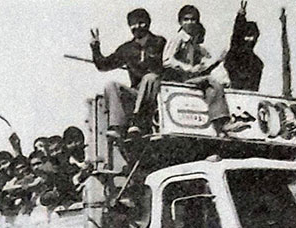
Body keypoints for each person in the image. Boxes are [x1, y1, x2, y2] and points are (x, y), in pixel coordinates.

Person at [163, 6, 242, 136]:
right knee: (211, 81)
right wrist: (188, 68)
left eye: (193, 20)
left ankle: (220, 126)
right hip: (178, 80)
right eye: (186, 19)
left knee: (213, 88)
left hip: (191, 79)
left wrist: (217, 61)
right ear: (180, 22)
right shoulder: (178, 38)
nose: (189, 23)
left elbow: (206, 62)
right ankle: (224, 124)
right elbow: (166, 60)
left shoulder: (194, 44)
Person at [90, 8, 166, 138]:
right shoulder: (126, 49)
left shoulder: (160, 42)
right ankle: (117, 126)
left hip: (156, 93)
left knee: (150, 77)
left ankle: (138, 120)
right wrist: (95, 48)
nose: (137, 27)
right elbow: (103, 65)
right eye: (133, 24)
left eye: (141, 22)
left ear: (148, 23)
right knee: (111, 85)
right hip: (137, 93)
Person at [224, 1, 263, 91]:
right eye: (247, 36)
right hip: (233, 87)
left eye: (252, 37)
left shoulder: (256, 63)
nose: (250, 40)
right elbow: (236, 34)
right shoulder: (234, 53)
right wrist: (240, 16)